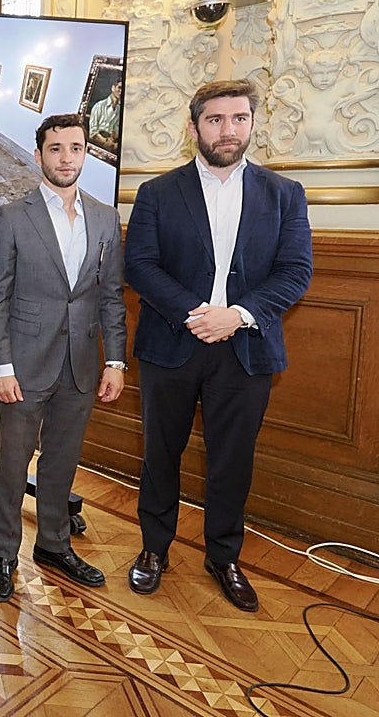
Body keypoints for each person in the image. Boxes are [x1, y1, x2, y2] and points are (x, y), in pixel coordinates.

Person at [124, 79, 312, 612]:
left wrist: (238, 315)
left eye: (237, 119)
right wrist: (197, 315)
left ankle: (223, 555)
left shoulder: (284, 194)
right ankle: (153, 550)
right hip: (172, 345)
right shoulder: (158, 193)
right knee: (161, 455)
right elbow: (139, 264)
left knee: (233, 460)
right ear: (194, 128)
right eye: (214, 120)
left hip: (246, 349)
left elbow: (296, 272)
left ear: (252, 124)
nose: (226, 130)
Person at [0, 114, 128, 602]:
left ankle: (53, 544)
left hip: (82, 362)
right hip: (23, 364)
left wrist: (116, 361)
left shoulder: (105, 217)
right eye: (56, 149)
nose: (67, 158)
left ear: (87, 153)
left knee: (62, 461)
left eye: (76, 148)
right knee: (13, 461)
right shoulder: (13, 216)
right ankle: (4, 554)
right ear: (39, 153)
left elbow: (110, 297)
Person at [88, 80, 123, 152]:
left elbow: (116, 131)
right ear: (113, 88)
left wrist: (114, 143)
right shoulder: (99, 105)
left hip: (110, 144)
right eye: (119, 87)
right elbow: (92, 132)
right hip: (96, 143)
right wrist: (105, 142)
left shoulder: (120, 109)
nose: (121, 91)